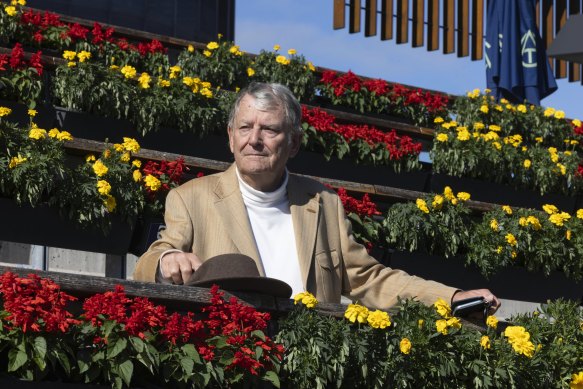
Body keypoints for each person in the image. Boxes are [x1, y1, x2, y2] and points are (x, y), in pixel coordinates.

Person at [133, 82, 501, 312]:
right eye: (245, 127)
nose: (254, 139)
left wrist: (450, 298)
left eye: (269, 129)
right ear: (230, 136)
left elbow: (371, 280)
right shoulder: (190, 198)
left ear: (293, 142)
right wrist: (167, 258)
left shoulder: (324, 203)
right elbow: (153, 258)